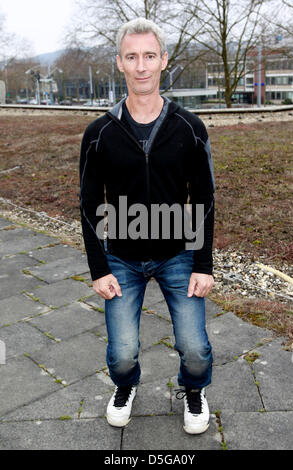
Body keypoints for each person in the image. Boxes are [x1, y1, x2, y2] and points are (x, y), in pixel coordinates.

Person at [80, 17, 215, 435]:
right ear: (120, 63)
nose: (141, 66)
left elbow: (205, 198)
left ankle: (193, 390)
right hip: (121, 258)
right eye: (132, 57)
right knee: (121, 353)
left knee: (195, 349)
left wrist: (203, 263)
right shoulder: (99, 132)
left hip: (179, 255)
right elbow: (88, 203)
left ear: (164, 61)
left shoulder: (190, 128)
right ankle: (126, 386)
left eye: (150, 56)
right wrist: (99, 269)